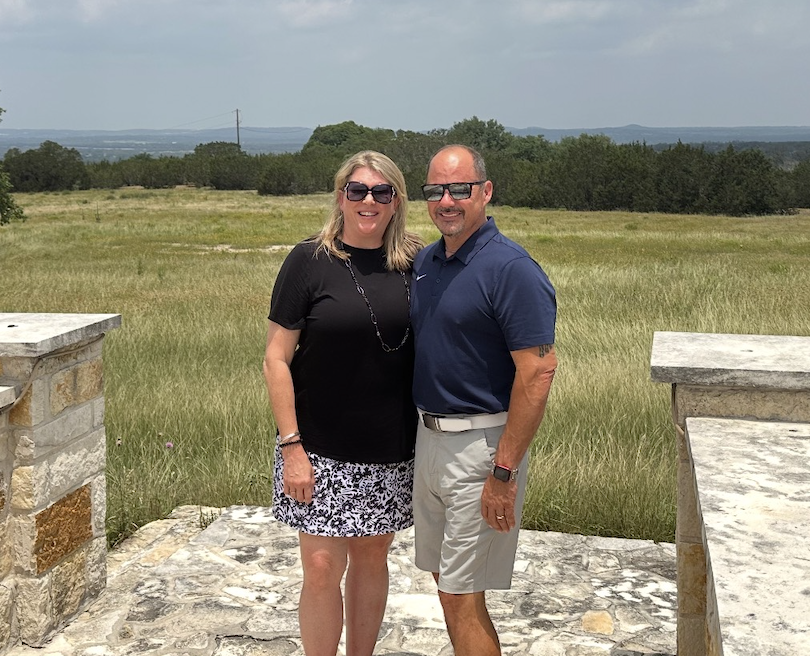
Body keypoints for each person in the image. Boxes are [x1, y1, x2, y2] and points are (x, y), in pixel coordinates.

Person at [262, 151, 423, 656]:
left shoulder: (417, 263)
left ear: (396, 201)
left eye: (381, 191)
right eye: (357, 191)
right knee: (320, 567)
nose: (368, 201)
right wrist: (291, 447)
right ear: (341, 197)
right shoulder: (308, 260)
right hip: (316, 446)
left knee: (372, 561)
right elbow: (275, 359)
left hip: (390, 447)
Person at [410, 144, 558, 656]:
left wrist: (503, 472)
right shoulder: (427, 261)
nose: (446, 201)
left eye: (460, 189)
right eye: (435, 190)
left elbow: (538, 372)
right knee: (445, 582)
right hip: (429, 440)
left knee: (460, 594)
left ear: (486, 191)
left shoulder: (511, 268)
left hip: (482, 449)